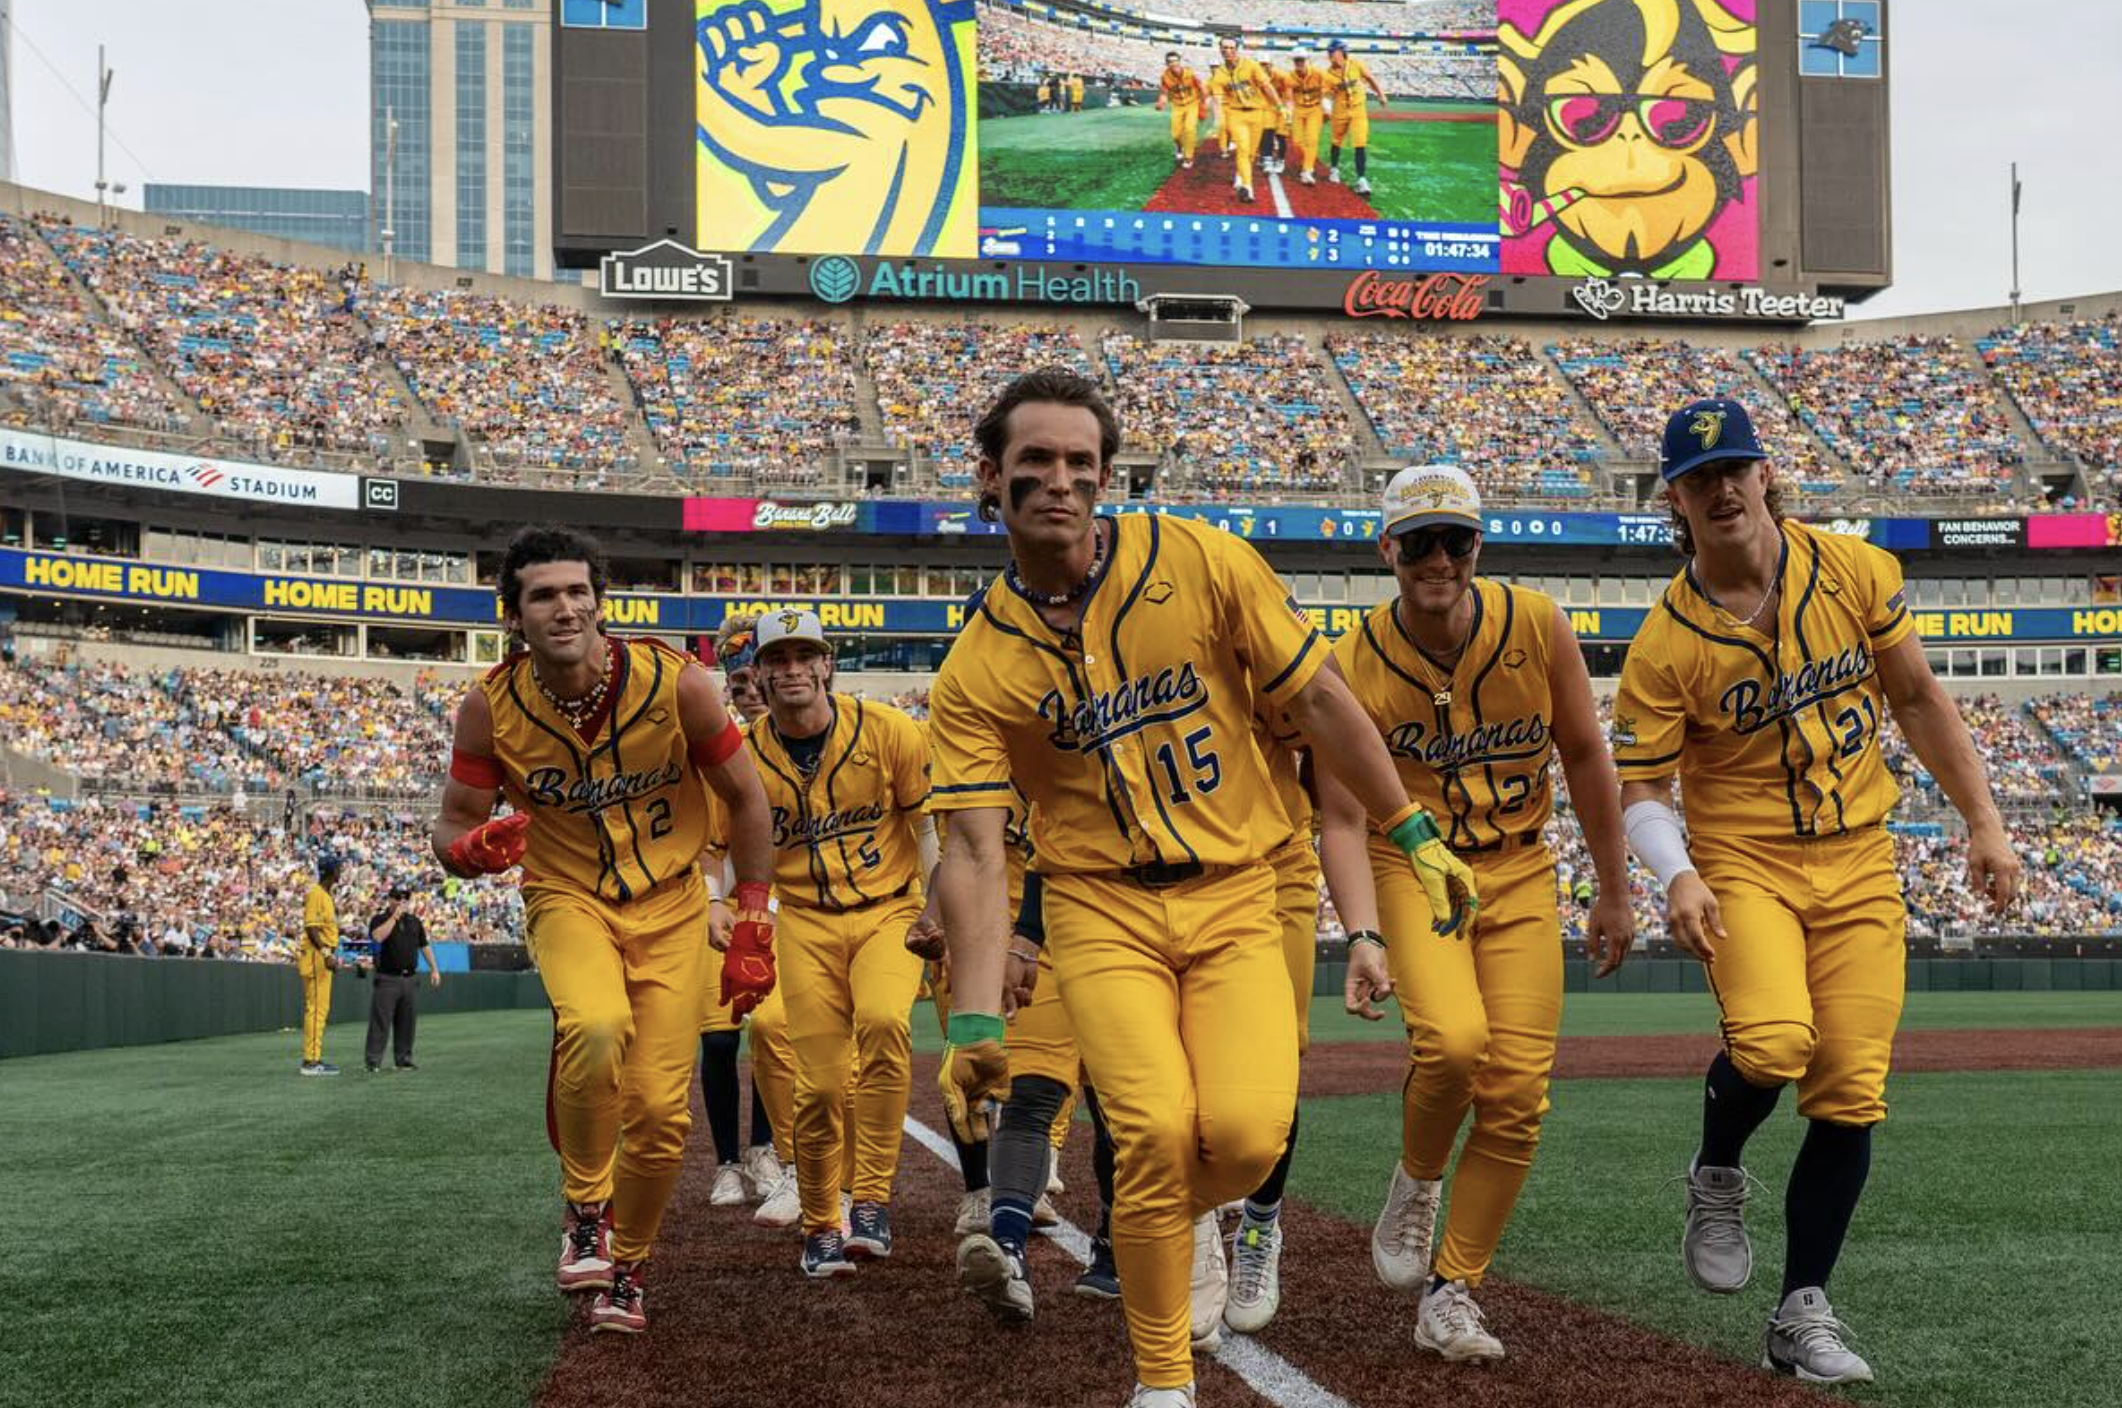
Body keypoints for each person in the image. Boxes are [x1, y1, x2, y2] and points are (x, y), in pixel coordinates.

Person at [927, 369, 1476, 1408]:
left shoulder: (1202, 559)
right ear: (989, 478)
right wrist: (967, 1013)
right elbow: (972, 847)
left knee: (1244, 1134)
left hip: (1235, 890)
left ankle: (1180, 1214)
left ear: (1105, 476)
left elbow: (1317, 693)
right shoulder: (974, 668)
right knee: (1146, 1134)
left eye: (1080, 464)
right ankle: (1163, 1383)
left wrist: (1408, 824)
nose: (1059, 482)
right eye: (1034, 462)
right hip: (1099, 908)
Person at [1613, 398, 2022, 1385]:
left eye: (1734, 469)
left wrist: (1984, 819)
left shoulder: (1850, 568)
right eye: (1697, 477)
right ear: (1674, 497)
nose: (1719, 488)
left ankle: (1800, 1310)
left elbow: (1917, 696)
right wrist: (1674, 874)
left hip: (1858, 856)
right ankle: (1715, 1173)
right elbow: (1641, 790)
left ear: (1765, 476)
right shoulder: (1664, 643)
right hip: (1746, 862)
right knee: (1771, 1042)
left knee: (1849, 1088)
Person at [1319, 463, 1634, 1361]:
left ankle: (1453, 1290)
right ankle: (1418, 1176)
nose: (1438, 558)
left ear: (1477, 546)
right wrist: (1363, 935)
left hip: (1522, 870)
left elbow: (1584, 756)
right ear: (1388, 549)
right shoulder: (1350, 659)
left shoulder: (1536, 624)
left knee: (1519, 1096)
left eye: (1454, 540)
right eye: (1419, 541)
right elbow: (1338, 816)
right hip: (1413, 872)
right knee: (1455, 1045)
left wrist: (1613, 888)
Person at [433, 525, 776, 1336]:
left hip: (672, 901)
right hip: (567, 895)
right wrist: (470, 850)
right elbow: (452, 825)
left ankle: (631, 1267)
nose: (564, 607)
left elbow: (748, 798)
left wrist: (754, 911)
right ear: (512, 616)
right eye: (543, 595)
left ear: (600, 599)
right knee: (592, 1025)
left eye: (577, 591)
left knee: (663, 1113)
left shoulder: (679, 684)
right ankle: (587, 1205)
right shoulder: (489, 707)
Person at [746, 608, 933, 1279]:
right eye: (779, 659)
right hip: (804, 920)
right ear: (759, 673)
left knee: (885, 1024)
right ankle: (821, 1222)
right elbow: (723, 846)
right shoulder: (745, 756)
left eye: (806, 656)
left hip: (888, 911)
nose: (793, 669)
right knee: (821, 1085)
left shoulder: (886, 729)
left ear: (827, 664)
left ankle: (873, 1201)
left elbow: (927, 823)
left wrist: (936, 906)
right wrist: (726, 908)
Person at [364, 882, 441, 1071]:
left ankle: (403, 1059)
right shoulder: (379, 919)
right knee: (381, 1022)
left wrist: (434, 968)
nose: (402, 902)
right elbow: (377, 937)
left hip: (410, 978)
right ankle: (373, 1061)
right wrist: (394, 918)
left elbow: (424, 945)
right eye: (398, 898)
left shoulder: (414, 922)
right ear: (390, 899)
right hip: (387, 977)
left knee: (407, 1022)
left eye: (405, 899)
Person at [1209, 37, 1276, 204]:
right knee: (1243, 149)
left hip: (1257, 113)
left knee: (1251, 153)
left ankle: (1240, 175)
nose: (1228, 51)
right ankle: (1248, 187)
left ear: (1237, 49)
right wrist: (1218, 119)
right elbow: (1217, 99)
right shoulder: (1219, 74)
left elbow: (1267, 86)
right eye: (1224, 48)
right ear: (1220, 50)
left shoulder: (1251, 65)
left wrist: (1280, 106)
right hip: (1236, 114)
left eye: (1231, 48)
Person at [297, 854, 343, 1075]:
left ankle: (314, 1058)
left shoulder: (324, 894)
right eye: (338, 868)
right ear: (330, 871)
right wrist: (326, 953)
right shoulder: (316, 893)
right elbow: (311, 928)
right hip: (317, 956)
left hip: (322, 956)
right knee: (316, 1010)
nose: (340, 871)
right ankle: (310, 1062)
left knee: (320, 1010)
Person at [1325, 39, 1389, 196]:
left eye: (1332, 52)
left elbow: (1370, 79)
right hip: (1340, 109)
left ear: (1341, 52)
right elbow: (1326, 94)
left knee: (1360, 143)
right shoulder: (1328, 73)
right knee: (1336, 140)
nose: (1330, 55)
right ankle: (1334, 169)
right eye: (1329, 52)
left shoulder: (1356, 64)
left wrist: (1381, 94)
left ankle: (1361, 179)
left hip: (1358, 109)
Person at [1155, 53, 1206, 170]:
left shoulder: (1190, 73)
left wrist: (1202, 104)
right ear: (1166, 64)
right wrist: (1161, 103)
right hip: (1177, 105)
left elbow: (1202, 88)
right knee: (1175, 134)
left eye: (1175, 60)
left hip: (1192, 104)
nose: (1173, 63)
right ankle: (1179, 147)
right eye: (1170, 61)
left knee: (1190, 129)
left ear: (1179, 61)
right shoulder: (1165, 77)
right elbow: (1164, 93)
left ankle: (1189, 157)